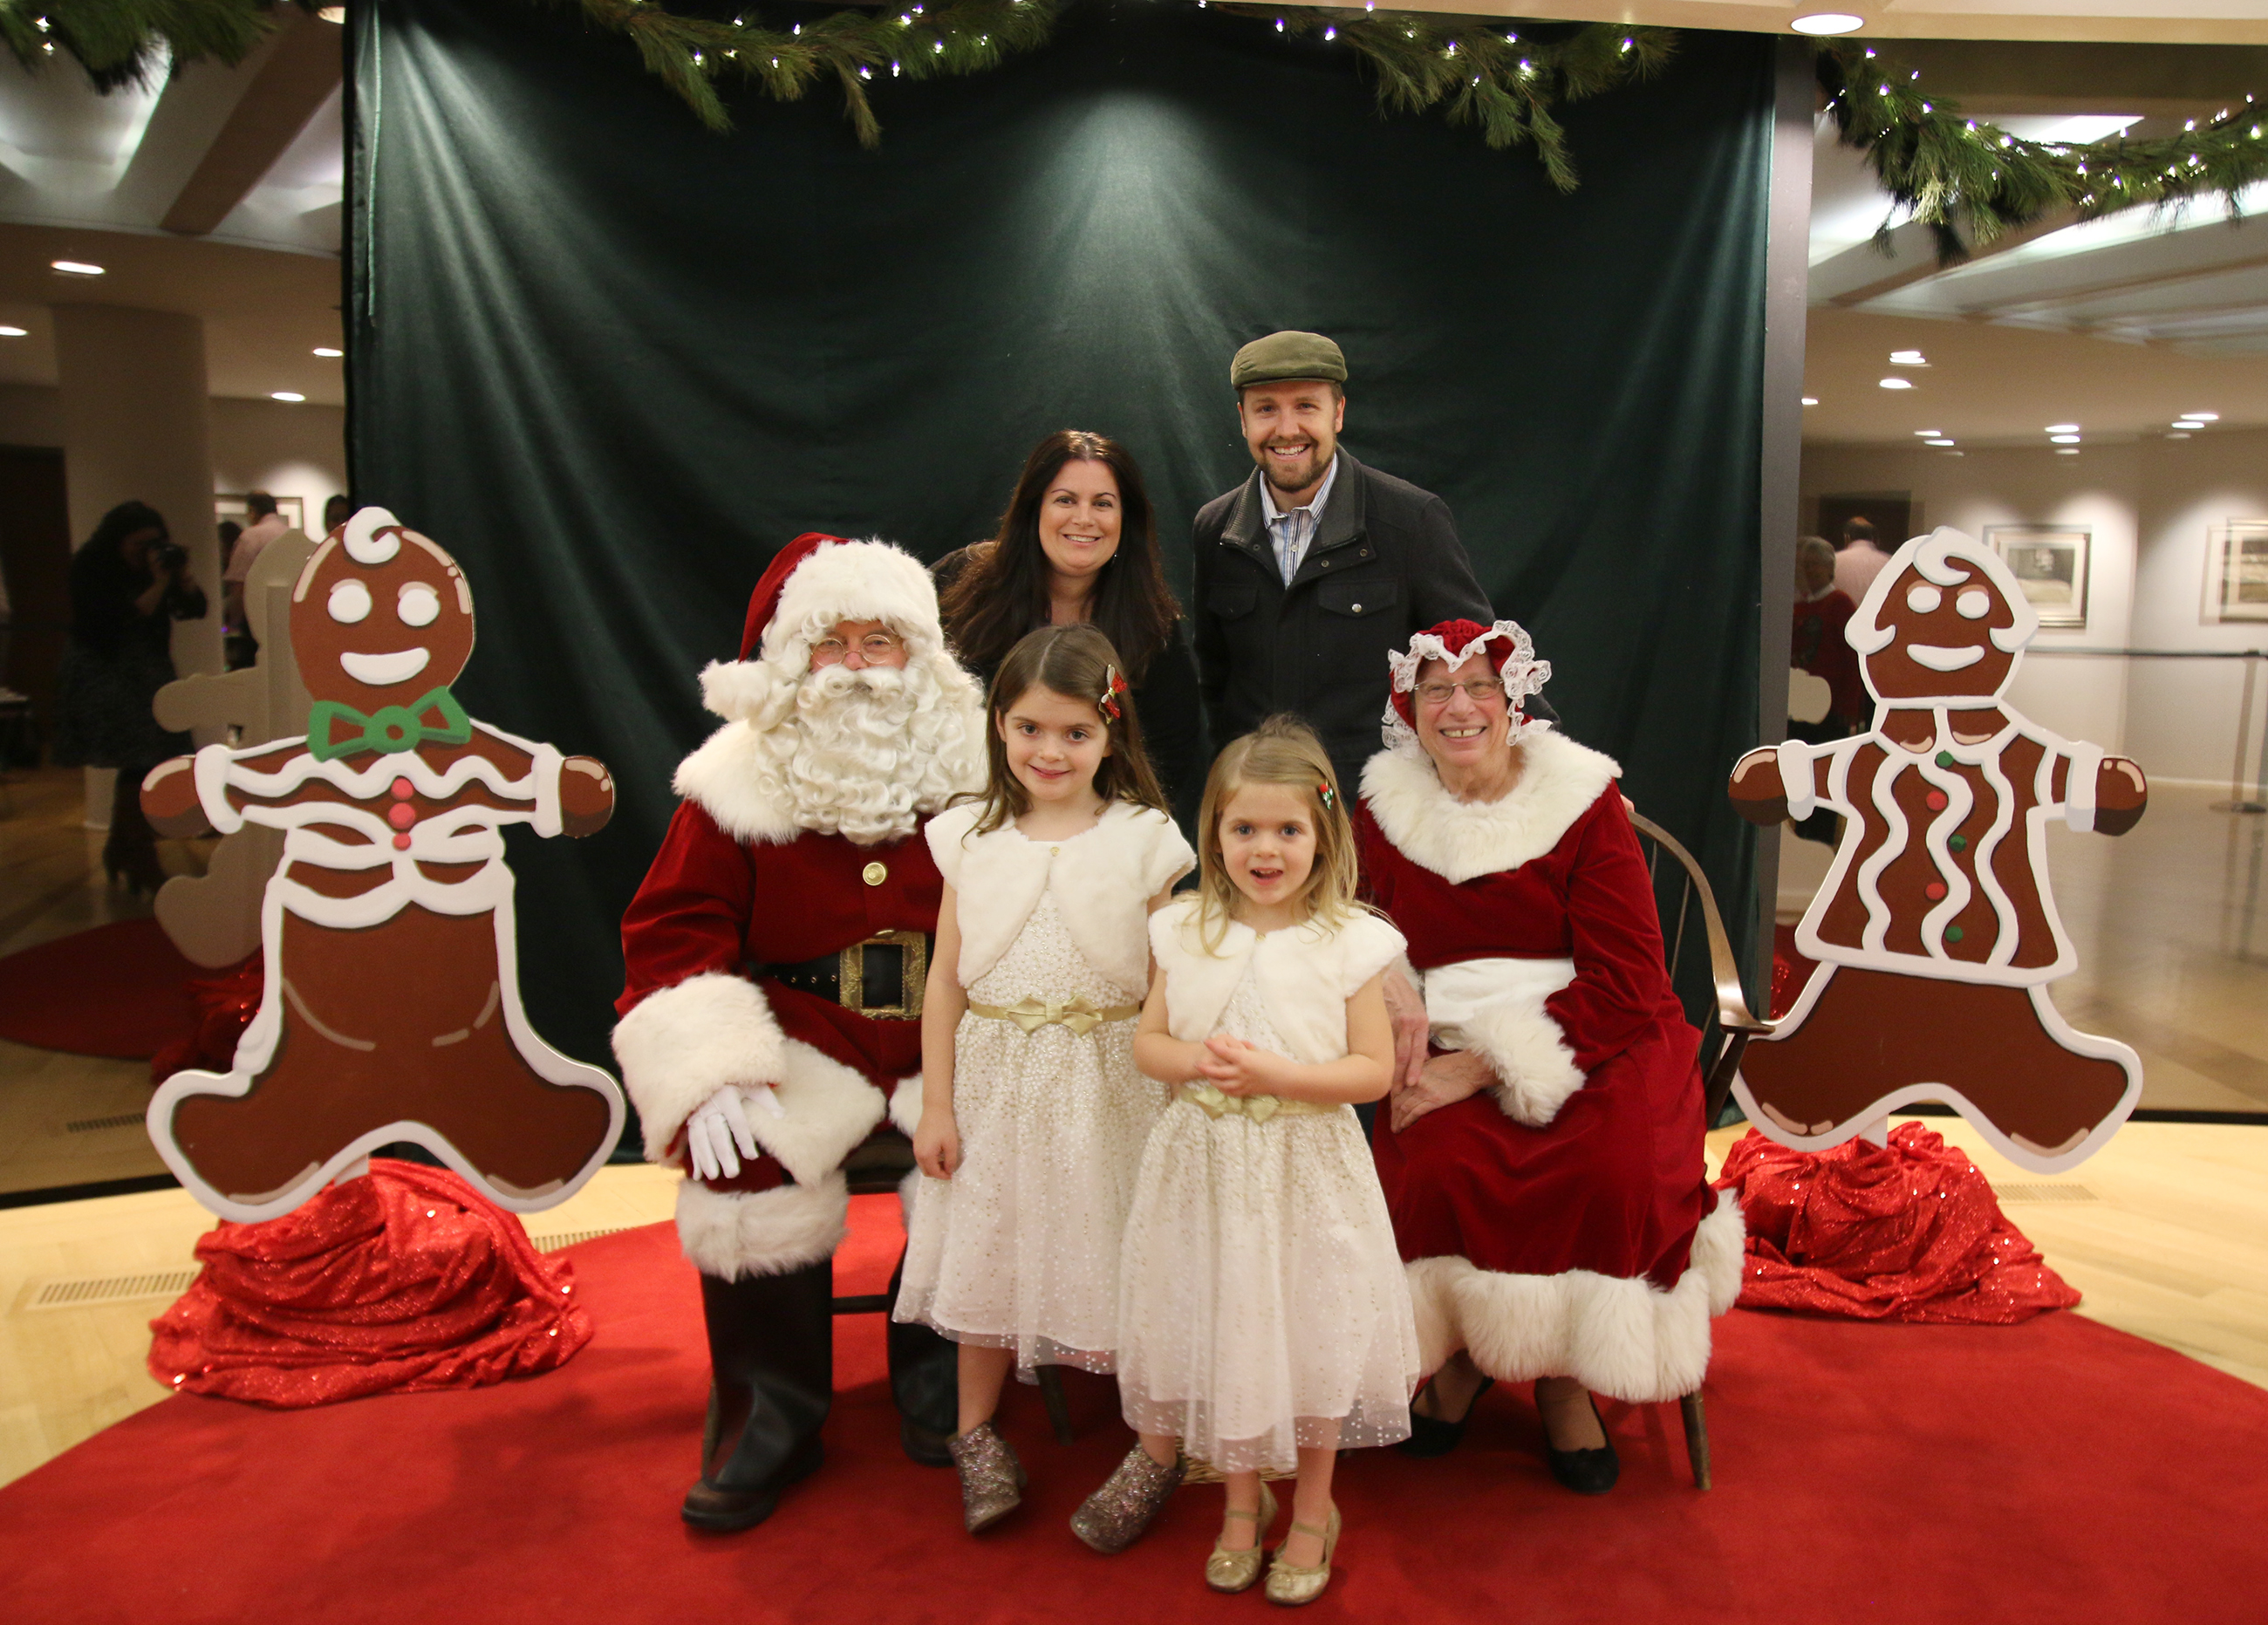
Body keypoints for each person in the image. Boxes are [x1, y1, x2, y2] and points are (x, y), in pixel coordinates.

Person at [613, 532, 987, 1531]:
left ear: (921, 657)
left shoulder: (974, 765)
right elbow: (672, 928)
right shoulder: (730, 780)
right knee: (740, 1165)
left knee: (987, 1151)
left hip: (938, 1043)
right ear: (789, 657)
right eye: (835, 643)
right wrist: (711, 1065)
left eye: (882, 642)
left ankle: (941, 1374)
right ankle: (768, 1410)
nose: (859, 666)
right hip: (798, 1039)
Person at [1353, 619, 1742, 1495]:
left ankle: (1566, 1380)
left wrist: (1478, 1068)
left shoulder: (1580, 800)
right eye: (1434, 692)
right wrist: (1387, 980)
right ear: (1406, 710)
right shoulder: (1381, 807)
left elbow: (1629, 977)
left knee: (1612, 1171)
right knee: (1438, 1167)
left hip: (1599, 1031)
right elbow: (1353, 914)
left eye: (1478, 687)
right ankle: (1467, 1357)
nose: (1458, 708)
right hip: (1443, 1026)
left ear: (1512, 698)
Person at [1076, 717, 1418, 1608]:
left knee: (1305, 1335)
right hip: (1205, 1165)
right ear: (1214, 833)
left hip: (1304, 1168)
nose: (1264, 850)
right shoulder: (1184, 928)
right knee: (1226, 1326)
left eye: (1287, 830)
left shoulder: (1351, 940)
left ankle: (1312, 1507)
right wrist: (1194, 1062)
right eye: (1243, 829)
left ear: (1323, 834)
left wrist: (1279, 1075)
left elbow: (1372, 1071)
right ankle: (1238, 1503)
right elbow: (1147, 1042)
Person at [898, 623, 1194, 1533]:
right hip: (995, 1080)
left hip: (1112, 1081)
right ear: (997, 725)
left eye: (1074, 732)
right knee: (990, 1245)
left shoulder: (1145, 839)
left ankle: (1155, 1448)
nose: (1049, 750)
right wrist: (937, 1104)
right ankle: (974, 1433)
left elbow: (1167, 983)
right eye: (1029, 728)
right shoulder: (967, 835)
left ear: (1111, 736)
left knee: (1131, 1254)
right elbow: (944, 981)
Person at [1189, 330, 1554, 797]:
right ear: (1242, 419)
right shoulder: (1214, 530)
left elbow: (1483, 656)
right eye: (1266, 409)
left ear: (1338, 413)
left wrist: (1559, 775)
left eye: (1306, 406)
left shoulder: (1410, 521)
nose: (1286, 429)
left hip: (1373, 811)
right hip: (1258, 808)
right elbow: (1214, 679)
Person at [933, 431, 1206, 826]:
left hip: (1092, 833)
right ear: (1034, 509)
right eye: (1065, 500)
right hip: (967, 820)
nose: (1084, 519)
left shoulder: (1151, 624)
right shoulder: (960, 584)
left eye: (1103, 504)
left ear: (1125, 519)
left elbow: (1167, 756)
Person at [51, 500, 208, 893]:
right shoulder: (91, 568)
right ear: (117, 541)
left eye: (154, 543)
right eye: (138, 544)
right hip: (105, 673)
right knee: (140, 757)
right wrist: (157, 584)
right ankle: (138, 856)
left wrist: (183, 578)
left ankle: (124, 849)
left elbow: (196, 610)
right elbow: (115, 622)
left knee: (148, 759)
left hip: (148, 672)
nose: (146, 552)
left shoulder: (157, 568)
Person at [1789, 535, 1864, 844]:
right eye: (1805, 565)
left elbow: (1852, 659)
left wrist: (1850, 707)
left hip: (1830, 708)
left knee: (1824, 777)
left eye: (1814, 565)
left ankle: (1820, 837)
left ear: (1828, 567)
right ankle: (1801, 833)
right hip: (1799, 705)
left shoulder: (1841, 604)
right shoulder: (1800, 606)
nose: (1808, 571)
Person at [222, 493, 290, 649]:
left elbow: (239, 583)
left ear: (252, 511)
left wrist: (234, 624)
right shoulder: (292, 535)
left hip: (257, 618)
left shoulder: (251, 536)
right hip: (289, 615)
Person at [1833, 515, 1895, 606]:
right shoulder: (1890, 562)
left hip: (1843, 616)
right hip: (1876, 617)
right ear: (1874, 539)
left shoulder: (1833, 561)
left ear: (1847, 537)